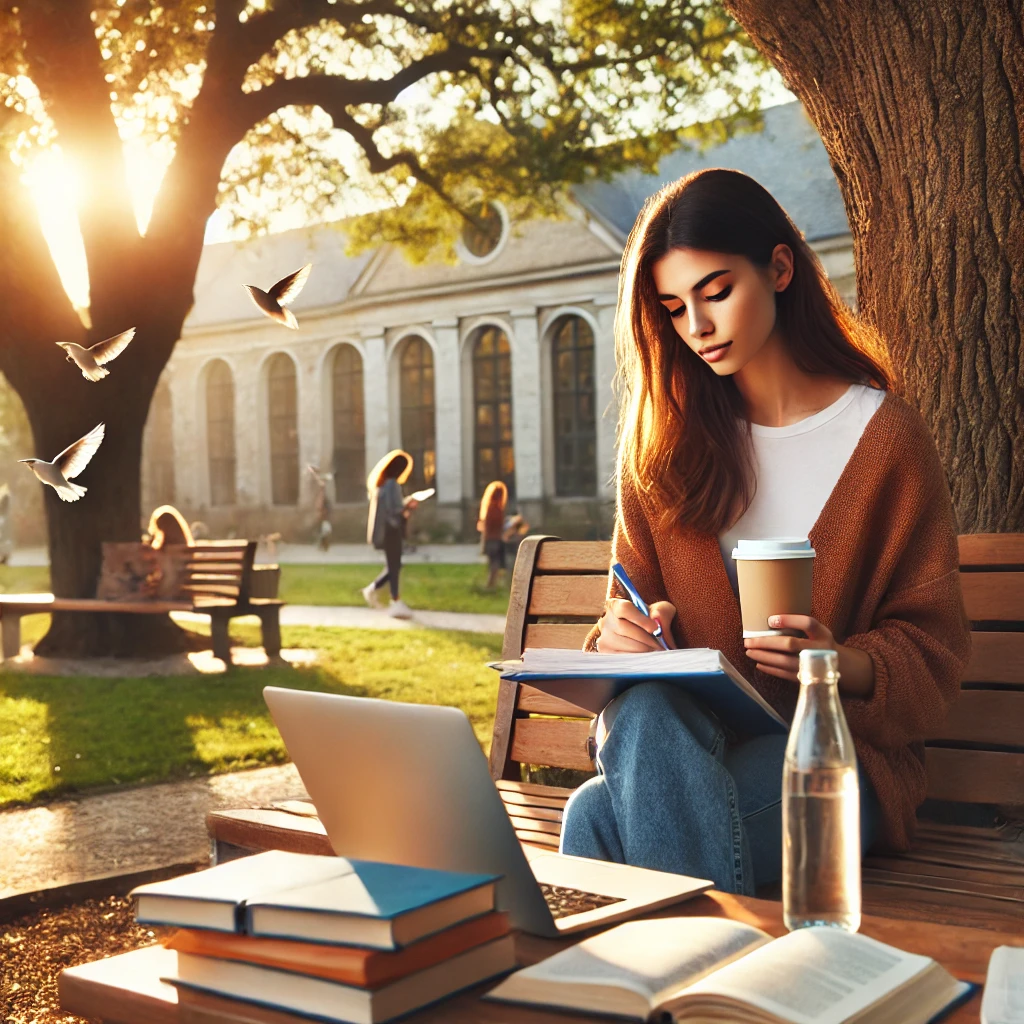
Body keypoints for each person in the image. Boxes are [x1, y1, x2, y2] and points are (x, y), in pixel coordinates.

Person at [560, 168, 971, 897]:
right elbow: (630, 615)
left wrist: (836, 662)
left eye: (716, 291)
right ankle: (714, 995)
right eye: (674, 307)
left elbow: (932, 654)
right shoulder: (663, 452)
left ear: (780, 268)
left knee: (598, 817)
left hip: (839, 757)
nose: (698, 327)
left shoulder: (885, 442)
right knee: (633, 741)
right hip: (688, 745)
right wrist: (620, 638)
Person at [361, 449, 419, 618]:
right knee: (395, 566)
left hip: (384, 532)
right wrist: (408, 506)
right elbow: (395, 511)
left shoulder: (382, 484)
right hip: (391, 531)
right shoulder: (392, 484)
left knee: (394, 566)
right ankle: (394, 600)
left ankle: (373, 590)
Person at [477, 481, 509, 589]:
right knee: (495, 564)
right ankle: (491, 585)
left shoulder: (490, 508)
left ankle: (491, 584)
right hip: (494, 540)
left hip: (491, 539)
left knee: (494, 564)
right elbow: (496, 526)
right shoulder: (496, 509)